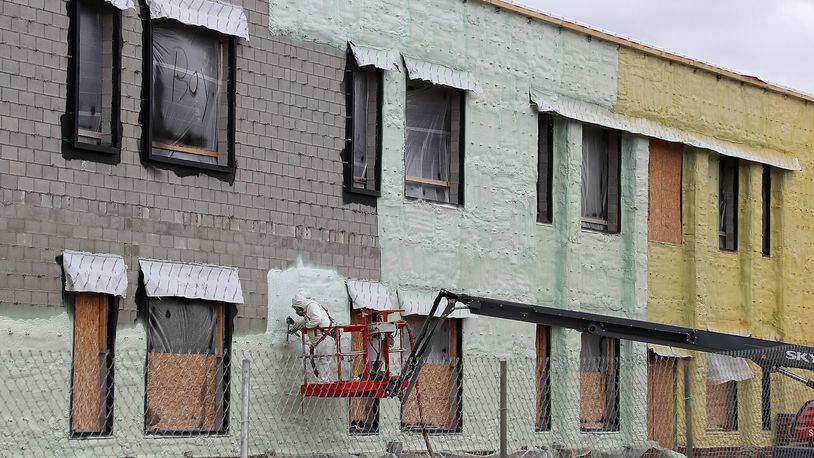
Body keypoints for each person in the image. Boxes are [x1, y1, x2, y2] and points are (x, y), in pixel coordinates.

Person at [288, 294, 336, 383]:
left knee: (324, 359)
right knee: (325, 360)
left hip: (325, 337)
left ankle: (324, 382)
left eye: (297, 309)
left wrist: (306, 327)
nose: (297, 312)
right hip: (324, 337)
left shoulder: (311, 306)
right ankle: (325, 380)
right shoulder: (309, 309)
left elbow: (316, 320)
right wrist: (294, 323)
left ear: (300, 306)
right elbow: (304, 323)